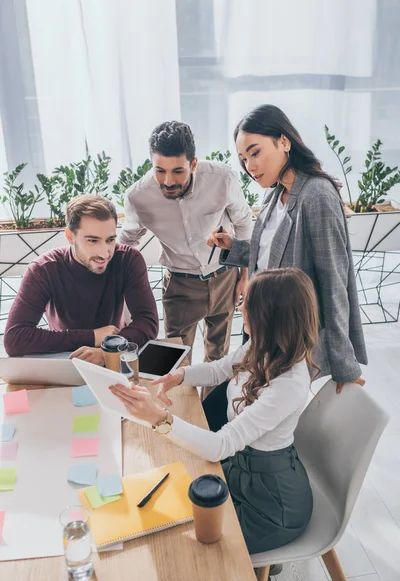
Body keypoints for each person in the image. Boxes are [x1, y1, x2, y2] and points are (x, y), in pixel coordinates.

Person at [110, 267, 317, 581]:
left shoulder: (289, 385)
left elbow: (221, 446)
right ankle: (259, 572)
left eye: (246, 302)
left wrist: (158, 417)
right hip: (243, 469)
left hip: (271, 501)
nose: (239, 306)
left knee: (193, 551)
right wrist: (178, 377)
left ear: (270, 315)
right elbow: (221, 368)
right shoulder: (261, 346)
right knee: (177, 508)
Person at [208, 104, 367, 392]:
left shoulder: (316, 195)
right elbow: (273, 256)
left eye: (255, 152)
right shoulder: (275, 195)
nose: (250, 167)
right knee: (237, 407)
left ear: (284, 141)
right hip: (259, 326)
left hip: (288, 338)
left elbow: (334, 283)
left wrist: (345, 366)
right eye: (243, 159)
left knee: (242, 414)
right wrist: (233, 247)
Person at [119, 121, 253, 377]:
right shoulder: (138, 196)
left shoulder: (222, 179)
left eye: (177, 171)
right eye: (160, 171)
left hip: (224, 278)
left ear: (193, 164)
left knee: (220, 358)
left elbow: (244, 223)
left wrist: (245, 277)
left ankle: (213, 416)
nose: (168, 181)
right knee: (175, 362)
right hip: (180, 286)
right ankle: (178, 416)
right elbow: (127, 243)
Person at [4, 194, 158, 363]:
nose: (104, 253)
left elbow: (147, 322)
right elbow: (14, 339)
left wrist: (108, 351)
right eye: (93, 240)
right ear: (70, 236)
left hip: (113, 354)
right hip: (64, 358)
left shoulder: (128, 259)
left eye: (110, 240)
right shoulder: (43, 269)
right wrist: (92, 337)